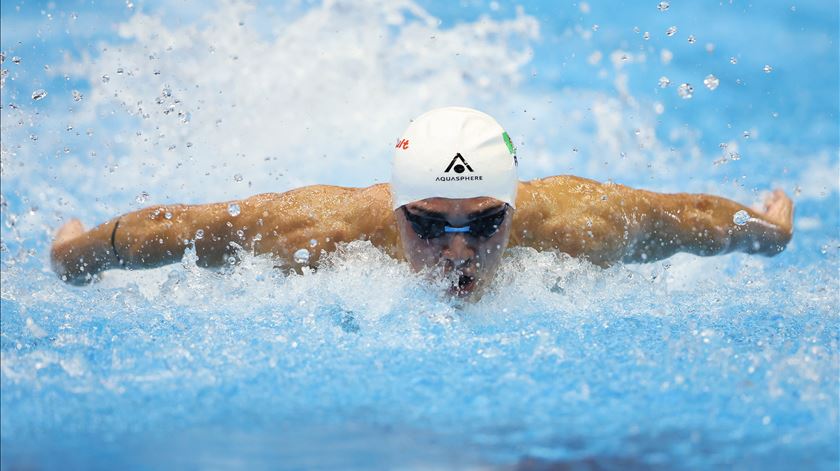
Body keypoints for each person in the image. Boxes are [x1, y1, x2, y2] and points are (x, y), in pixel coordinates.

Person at [50, 107, 794, 297]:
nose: (460, 250)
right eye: (431, 226)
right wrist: (77, 253)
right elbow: (171, 230)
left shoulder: (576, 223)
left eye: (485, 224)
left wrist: (765, 235)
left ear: (514, 208)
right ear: (395, 211)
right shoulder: (319, 231)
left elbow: (691, 218)